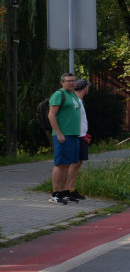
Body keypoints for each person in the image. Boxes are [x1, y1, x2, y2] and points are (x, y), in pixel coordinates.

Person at [46, 72, 83, 204]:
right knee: (60, 164)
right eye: (68, 81)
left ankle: (63, 192)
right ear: (62, 82)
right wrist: (59, 133)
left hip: (73, 135)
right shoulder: (58, 94)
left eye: (73, 81)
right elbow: (51, 115)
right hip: (63, 135)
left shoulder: (72, 94)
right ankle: (55, 194)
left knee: (68, 164)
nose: (71, 83)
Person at [66, 79, 93, 202]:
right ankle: (66, 189)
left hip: (82, 135)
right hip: (77, 135)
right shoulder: (75, 101)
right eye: (88, 87)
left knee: (79, 162)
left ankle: (72, 188)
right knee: (74, 163)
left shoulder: (80, 101)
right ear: (84, 88)